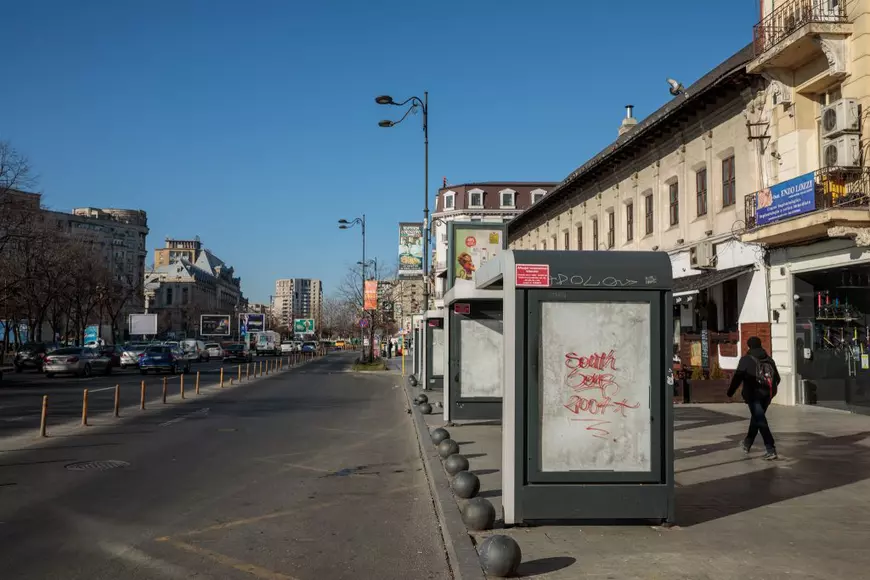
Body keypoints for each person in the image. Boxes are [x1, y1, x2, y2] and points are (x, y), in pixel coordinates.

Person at [727, 336, 780, 460]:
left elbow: (737, 377)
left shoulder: (746, 359)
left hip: (753, 395)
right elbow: (777, 378)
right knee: (757, 419)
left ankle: (770, 448)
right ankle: (747, 443)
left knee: (760, 421)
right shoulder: (769, 359)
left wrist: (730, 392)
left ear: (749, 346)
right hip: (767, 395)